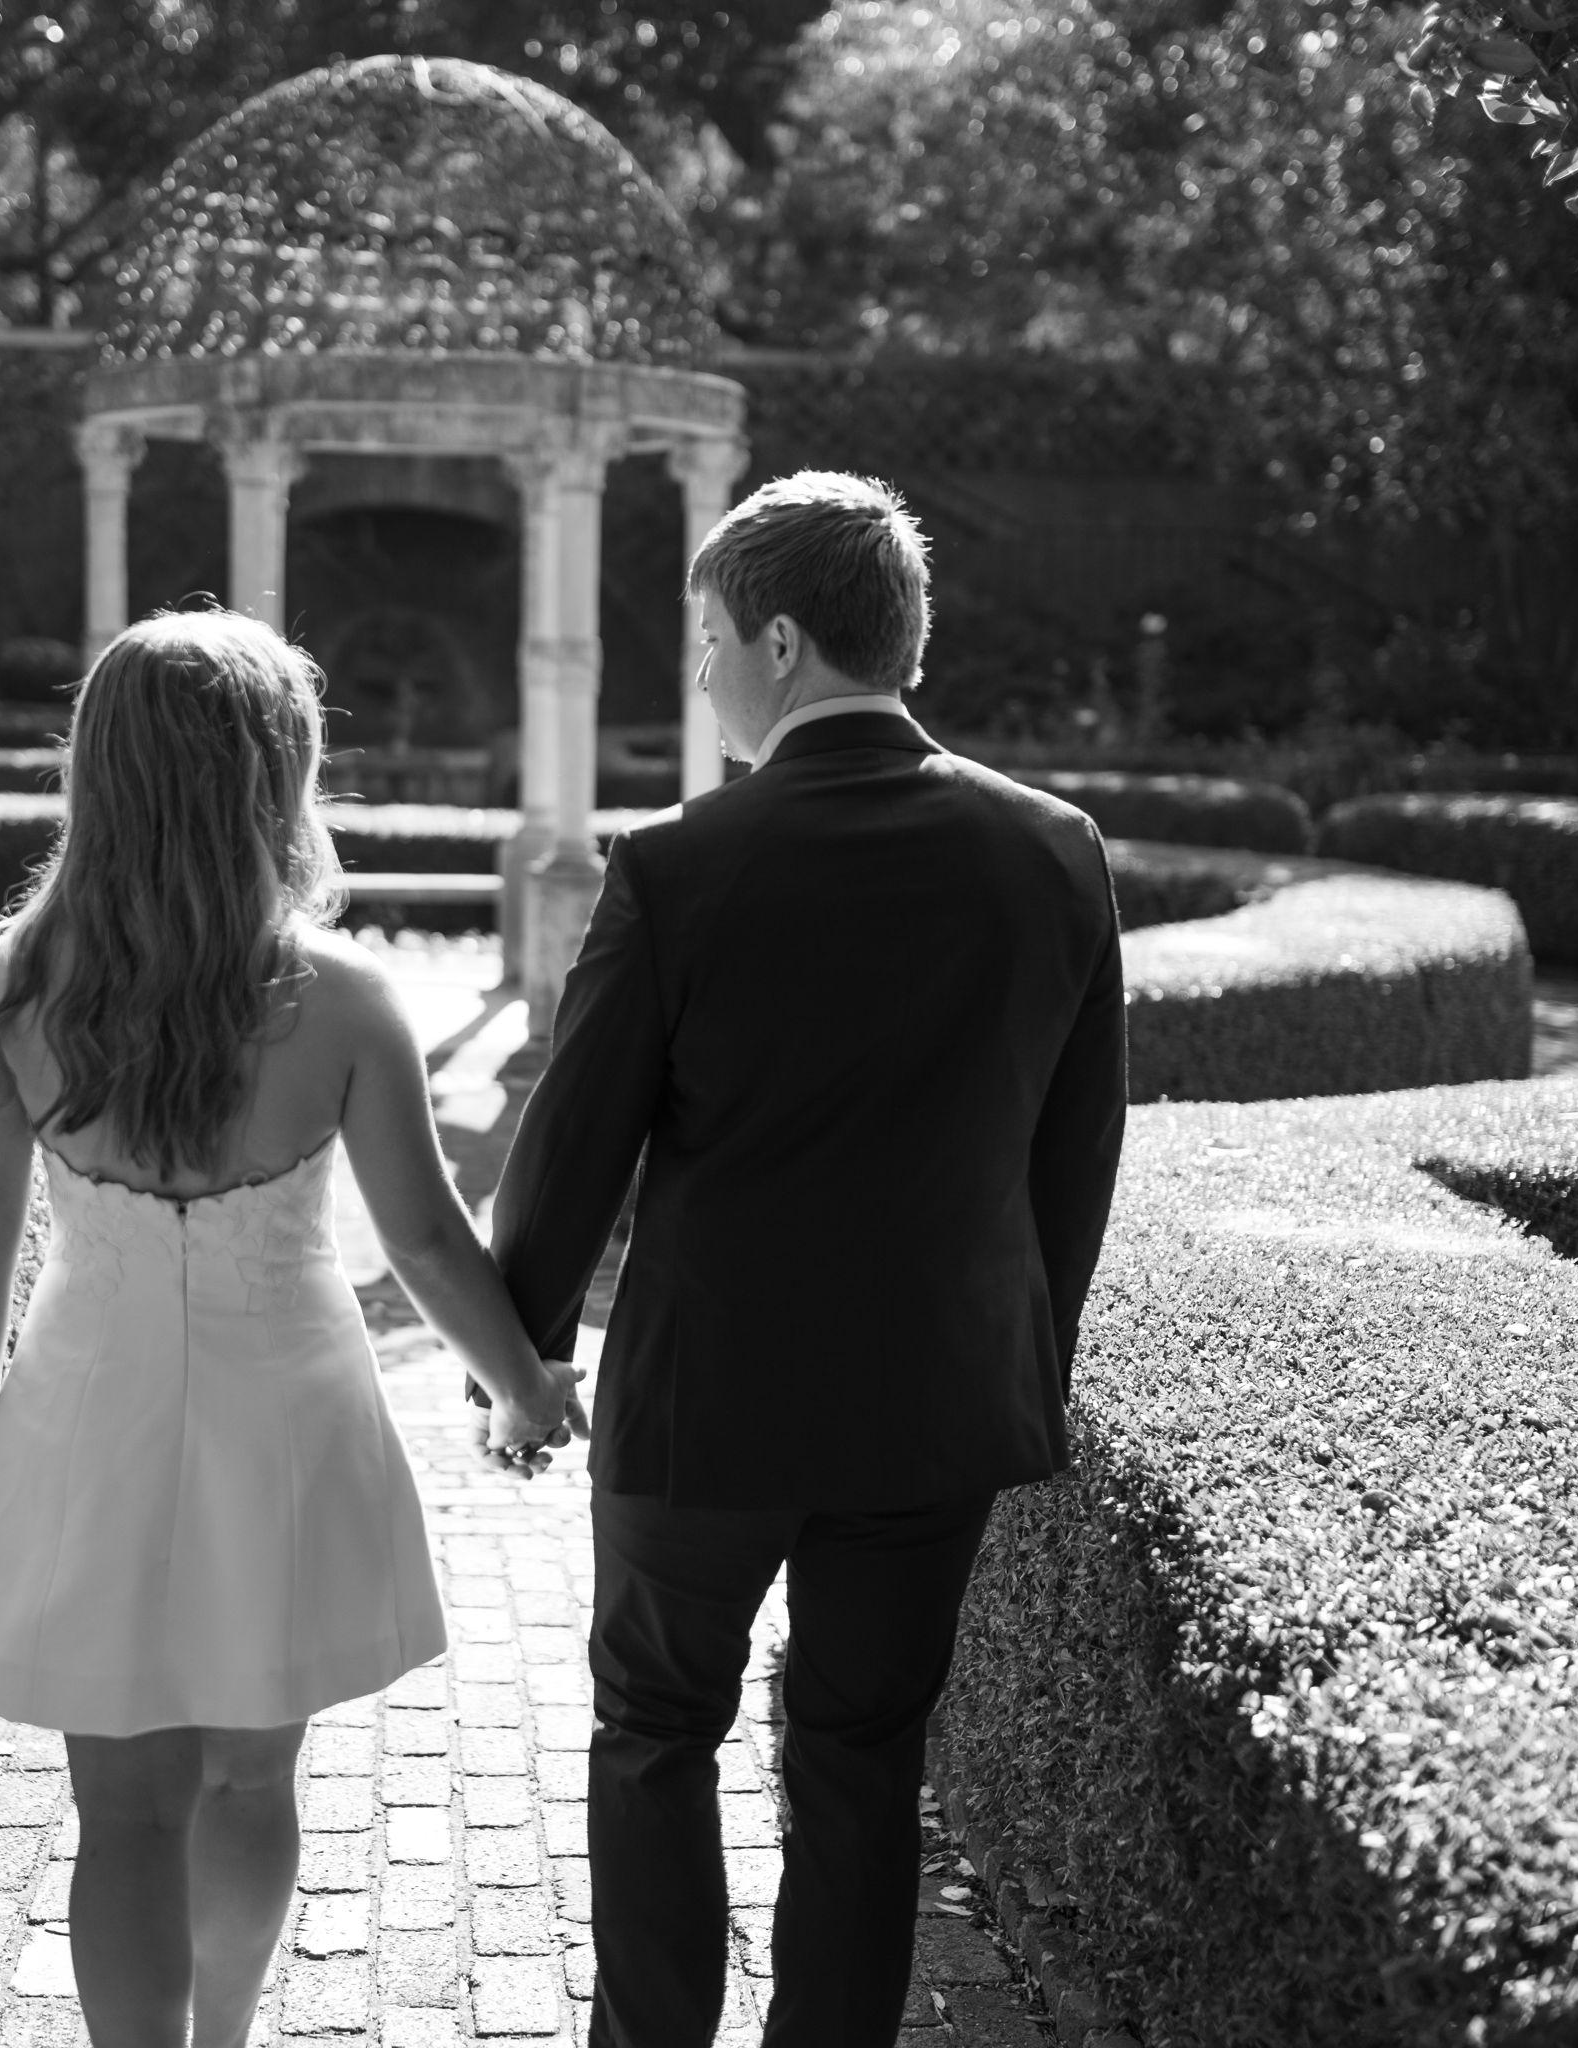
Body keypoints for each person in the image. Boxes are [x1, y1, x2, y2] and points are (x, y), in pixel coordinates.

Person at [482, 472, 1127, 2047]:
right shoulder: (1054, 852)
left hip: (705, 1405)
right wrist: (1019, 1366)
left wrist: (523, 1356)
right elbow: (1075, 1155)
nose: (702, 675)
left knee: (653, 1734)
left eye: (708, 639)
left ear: (779, 643)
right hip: (935, 1406)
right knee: (863, 1759)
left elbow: (574, 1148)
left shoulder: (678, 865)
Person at [0, 609, 582, 2048]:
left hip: (88, 1411)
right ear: (278, 778)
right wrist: (522, 1389)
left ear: (99, 772)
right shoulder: (339, 1001)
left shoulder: (13, 988)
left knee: (121, 1812)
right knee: (250, 1780)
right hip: (286, 1410)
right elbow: (425, 1241)